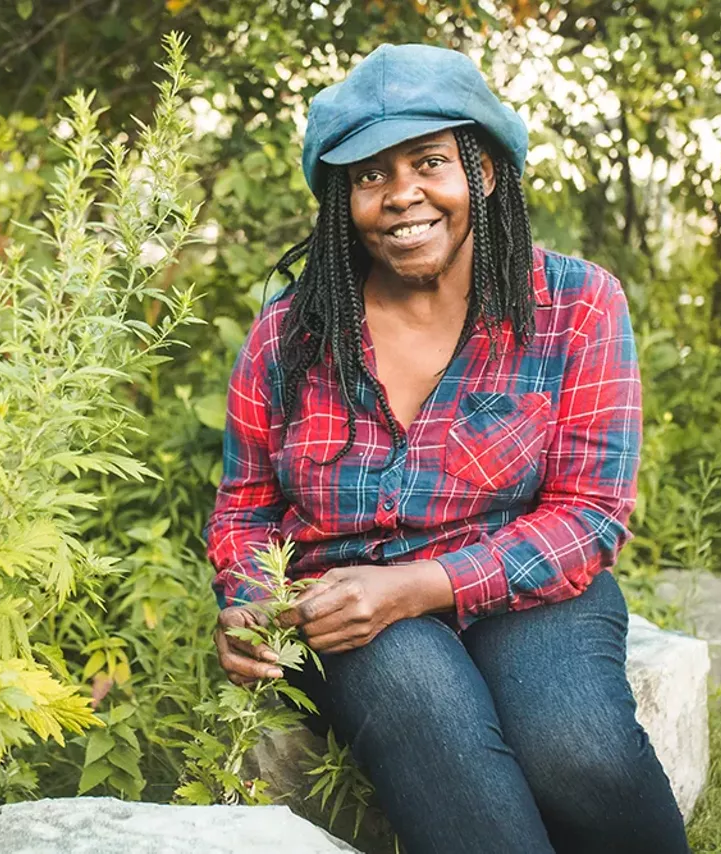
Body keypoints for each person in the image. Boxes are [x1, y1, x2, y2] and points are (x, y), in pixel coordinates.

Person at [203, 44, 690, 854]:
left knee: (579, 753)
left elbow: (590, 514)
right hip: (351, 610)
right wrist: (249, 598)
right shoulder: (289, 336)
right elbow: (246, 506)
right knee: (444, 742)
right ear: (340, 197)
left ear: (486, 172)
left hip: (529, 586)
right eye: (369, 175)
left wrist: (423, 585)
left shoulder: (576, 303)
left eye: (430, 162)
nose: (402, 197)